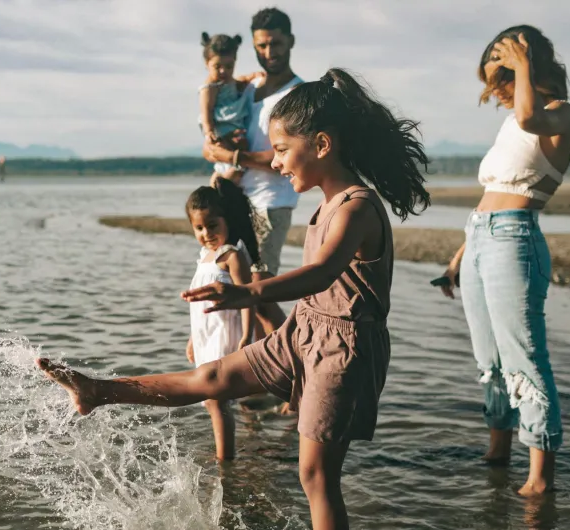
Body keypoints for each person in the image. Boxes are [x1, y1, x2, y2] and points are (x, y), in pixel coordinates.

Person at [38, 68, 431, 530]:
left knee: (315, 475)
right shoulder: (325, 203)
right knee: (213, 375)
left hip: (343, 350)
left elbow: (321, 273)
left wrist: (246, 292)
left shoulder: (357, 206)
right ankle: (99, 391)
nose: (277, 163)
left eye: (282, 150)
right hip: (305, 329)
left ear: (322, 145)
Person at [436, 25, 570, 497]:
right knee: (490, 362)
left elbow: (529, 117)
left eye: (503, 75)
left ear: (527, 62)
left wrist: (521, 67)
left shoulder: (559, 113)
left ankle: (539, 479)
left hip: (515, 240)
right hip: (480, 239)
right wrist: (461, 253)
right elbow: (490, 194)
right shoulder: (514, 118)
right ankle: (498, 450)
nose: (495, 90)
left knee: (525, 360)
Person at [204, 7, 303, 338]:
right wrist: (214, 148)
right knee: (235, 291)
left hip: (272, 202)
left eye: (275, 44)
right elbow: (216, 116)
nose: (269, 52)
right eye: (261, 46)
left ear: (290, 42)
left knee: (259, 295)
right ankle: (260, 381)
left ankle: (301, 362)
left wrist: (233, 156)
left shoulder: (297, 94)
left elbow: (289, 153)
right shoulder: (248, 87)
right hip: (236, 199)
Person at [184, 178, 263, 460]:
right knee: (210, 400)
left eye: (212, 225)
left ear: (225, 220)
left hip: (226, 335)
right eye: (199, 228)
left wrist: (246, 335)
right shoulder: (204, 256)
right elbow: (198, 305)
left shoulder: (231, 256)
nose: (206, 234)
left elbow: (248, 298)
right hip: (206, 336)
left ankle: (224, 460)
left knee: (216, 400)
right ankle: (244, 440)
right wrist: (193, 338)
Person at [197, 32, 262, 184]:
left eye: (229, 66)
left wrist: (252, 76)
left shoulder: (230, 81)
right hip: (221, 127)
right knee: (233, 161)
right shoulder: (209, 88)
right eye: (217, 66)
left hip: (235, 123)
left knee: (240, 152)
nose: (223, 71)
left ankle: (221, 180)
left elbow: (239, 80)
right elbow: (206, 113)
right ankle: (220, 185)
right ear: (207, 63)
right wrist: (209, 133)